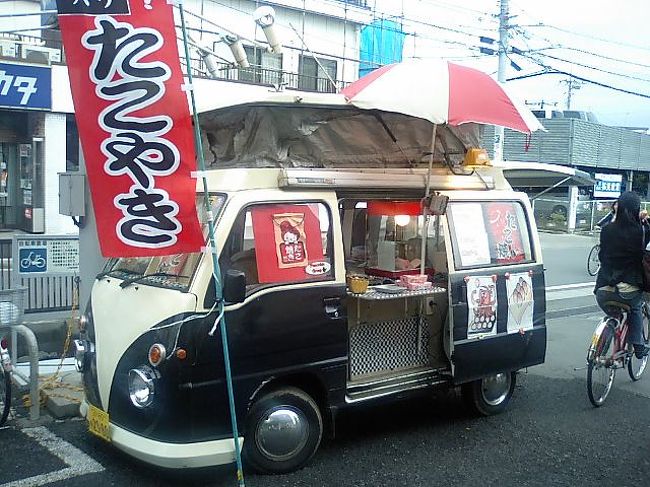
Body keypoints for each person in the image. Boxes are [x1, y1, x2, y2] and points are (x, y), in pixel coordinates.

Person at [595, 192, 650, 359]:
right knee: (635, 307)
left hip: (602, 290)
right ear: (636, 209)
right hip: (628, 290)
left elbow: (601, 256)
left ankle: (600, 346)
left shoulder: (606, 230)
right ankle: (639, 347)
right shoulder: (641, 230)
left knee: (614, 314)